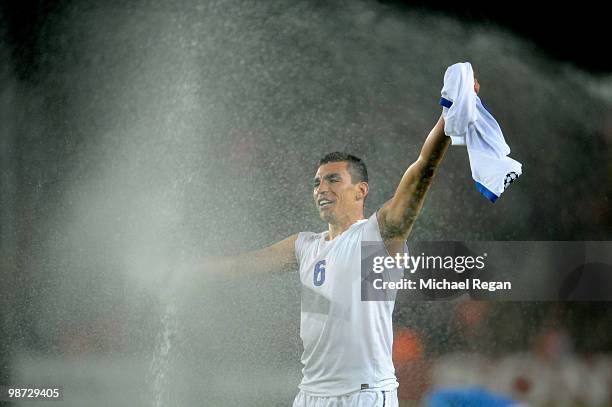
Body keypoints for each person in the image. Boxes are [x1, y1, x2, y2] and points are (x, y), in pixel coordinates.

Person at [195, 78, 481, 407]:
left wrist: (447, 120)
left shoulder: (380, 234)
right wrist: (183, 271)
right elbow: (239, 265)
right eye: (317, 182)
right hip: (311, 395)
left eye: (333, 179)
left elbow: (423, 170)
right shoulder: (304, 246)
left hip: (365, 394)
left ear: (361, 191)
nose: (321, 189)